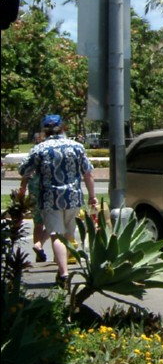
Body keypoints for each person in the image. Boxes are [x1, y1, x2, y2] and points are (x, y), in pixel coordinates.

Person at [19, 114, 96, 288]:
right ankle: (63, 269)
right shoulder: (76, 147)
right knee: (69, 234)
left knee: (57, 235)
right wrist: (92, 196)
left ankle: (63, 274)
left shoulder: (40, 149)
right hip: (73, 197)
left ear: (44, 131)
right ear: (63, 127)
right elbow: (88, 173)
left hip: (50, 198)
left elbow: (23, 169)